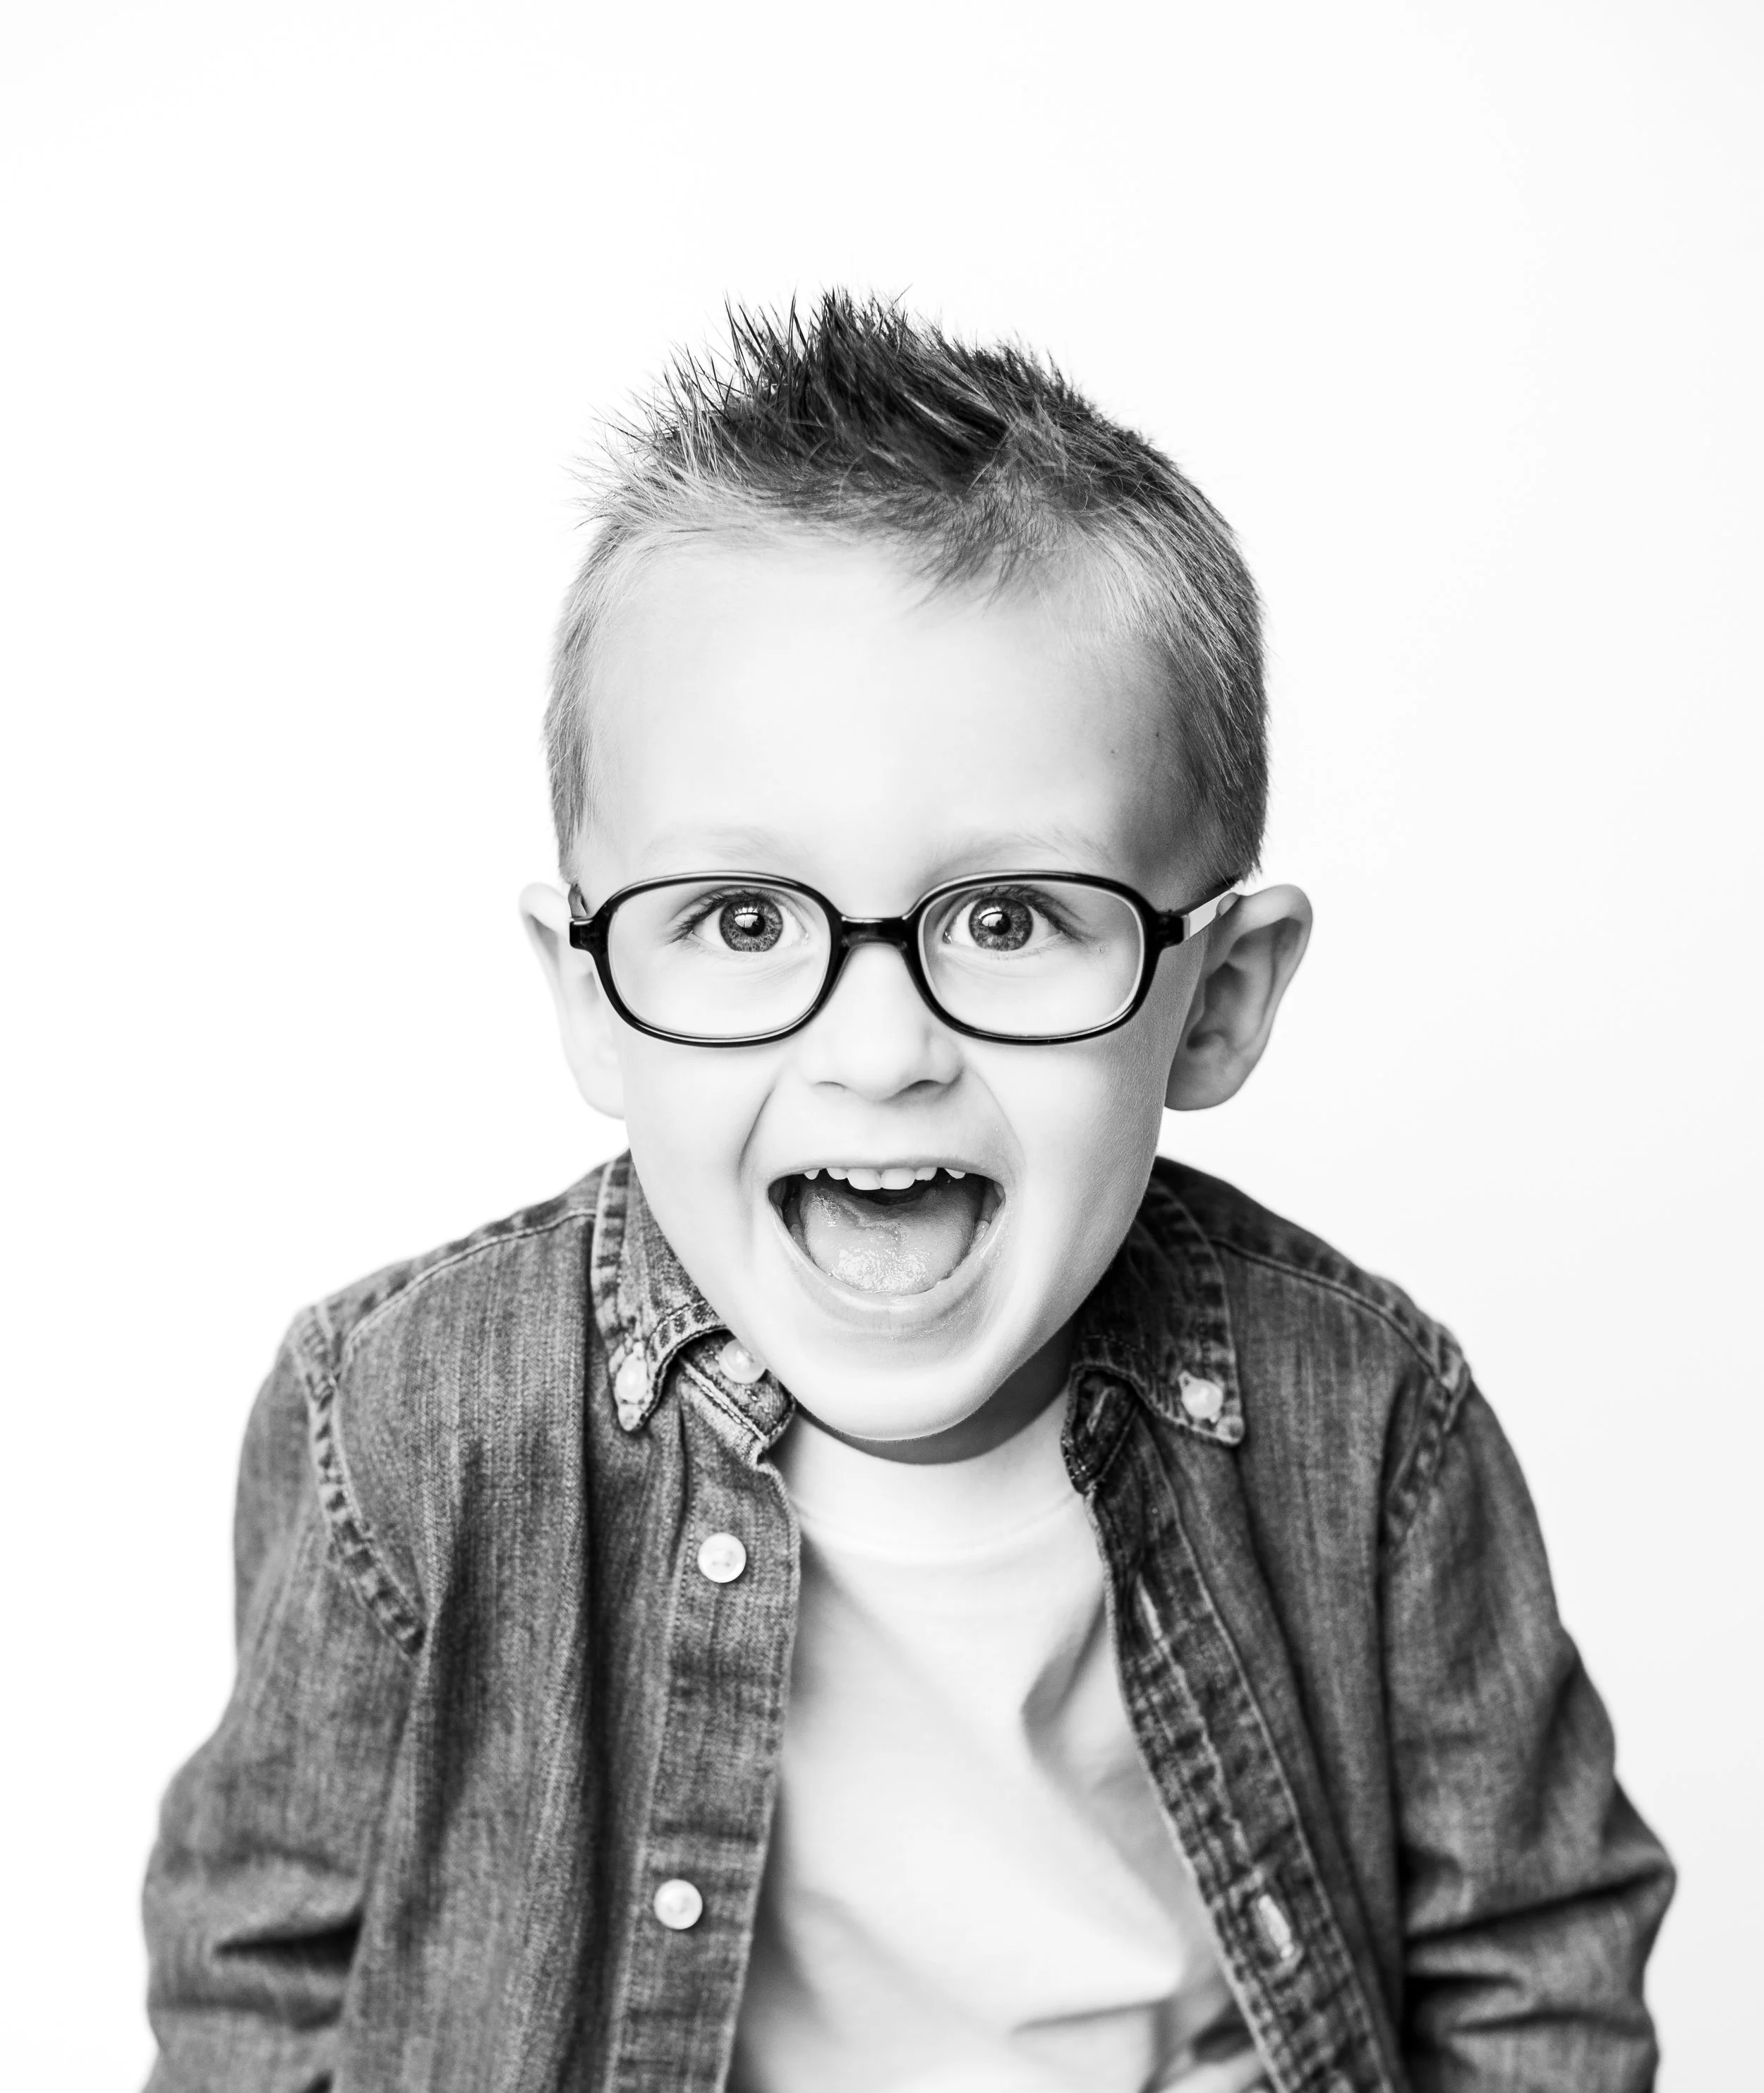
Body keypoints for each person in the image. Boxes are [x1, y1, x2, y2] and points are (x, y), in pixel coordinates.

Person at [142, 294, 1673, 2092]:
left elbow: (1528, 1957)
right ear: (591, 1003)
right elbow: (258, 1977)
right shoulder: (402, 1426)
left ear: (1220, 996)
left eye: (1008, 920)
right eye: (737, 919)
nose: (879, 1051)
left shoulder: (1367, 1427)